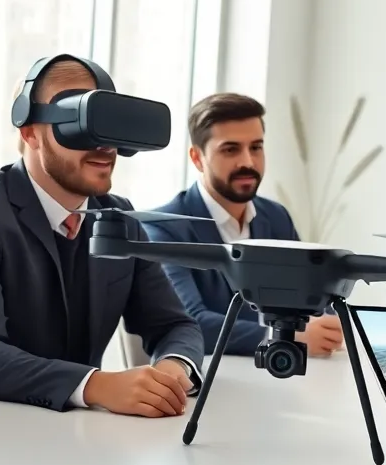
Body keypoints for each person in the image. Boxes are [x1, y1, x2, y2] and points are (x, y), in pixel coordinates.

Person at [0, 57, 204, 417]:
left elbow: (175, 324)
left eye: (108, 124)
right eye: (79, 121)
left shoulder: (118, 217)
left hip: (83, 440)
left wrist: (173, 370)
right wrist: (97, 385)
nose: (104, 145)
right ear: (29, 131)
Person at [146, 93, 344, 357]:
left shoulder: (275, 217)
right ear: (197, 158)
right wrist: (280, 335)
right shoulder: (165, 229)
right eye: (230, 149)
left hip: (283, 376)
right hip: (209, 382)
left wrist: (328, 324)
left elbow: (311, 299)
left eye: (256, 147)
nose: (248, 162)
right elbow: (189, 323)